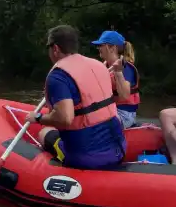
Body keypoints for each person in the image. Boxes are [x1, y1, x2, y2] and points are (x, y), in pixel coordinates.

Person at [26, 25, 126, 170]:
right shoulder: (98, 66)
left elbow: (65, 119)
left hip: (86, 158)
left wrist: (37, 118)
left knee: (44, 132)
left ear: (55, 48)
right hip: (120, 150)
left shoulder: (58, 76)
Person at [91, 30, 140, 129]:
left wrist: (118, 72)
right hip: (110, 109)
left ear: (112, 48)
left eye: (101, 45)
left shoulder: (126, 68)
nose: (98, 48)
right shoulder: (104, 66)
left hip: (124, 114)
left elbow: (125, 96)